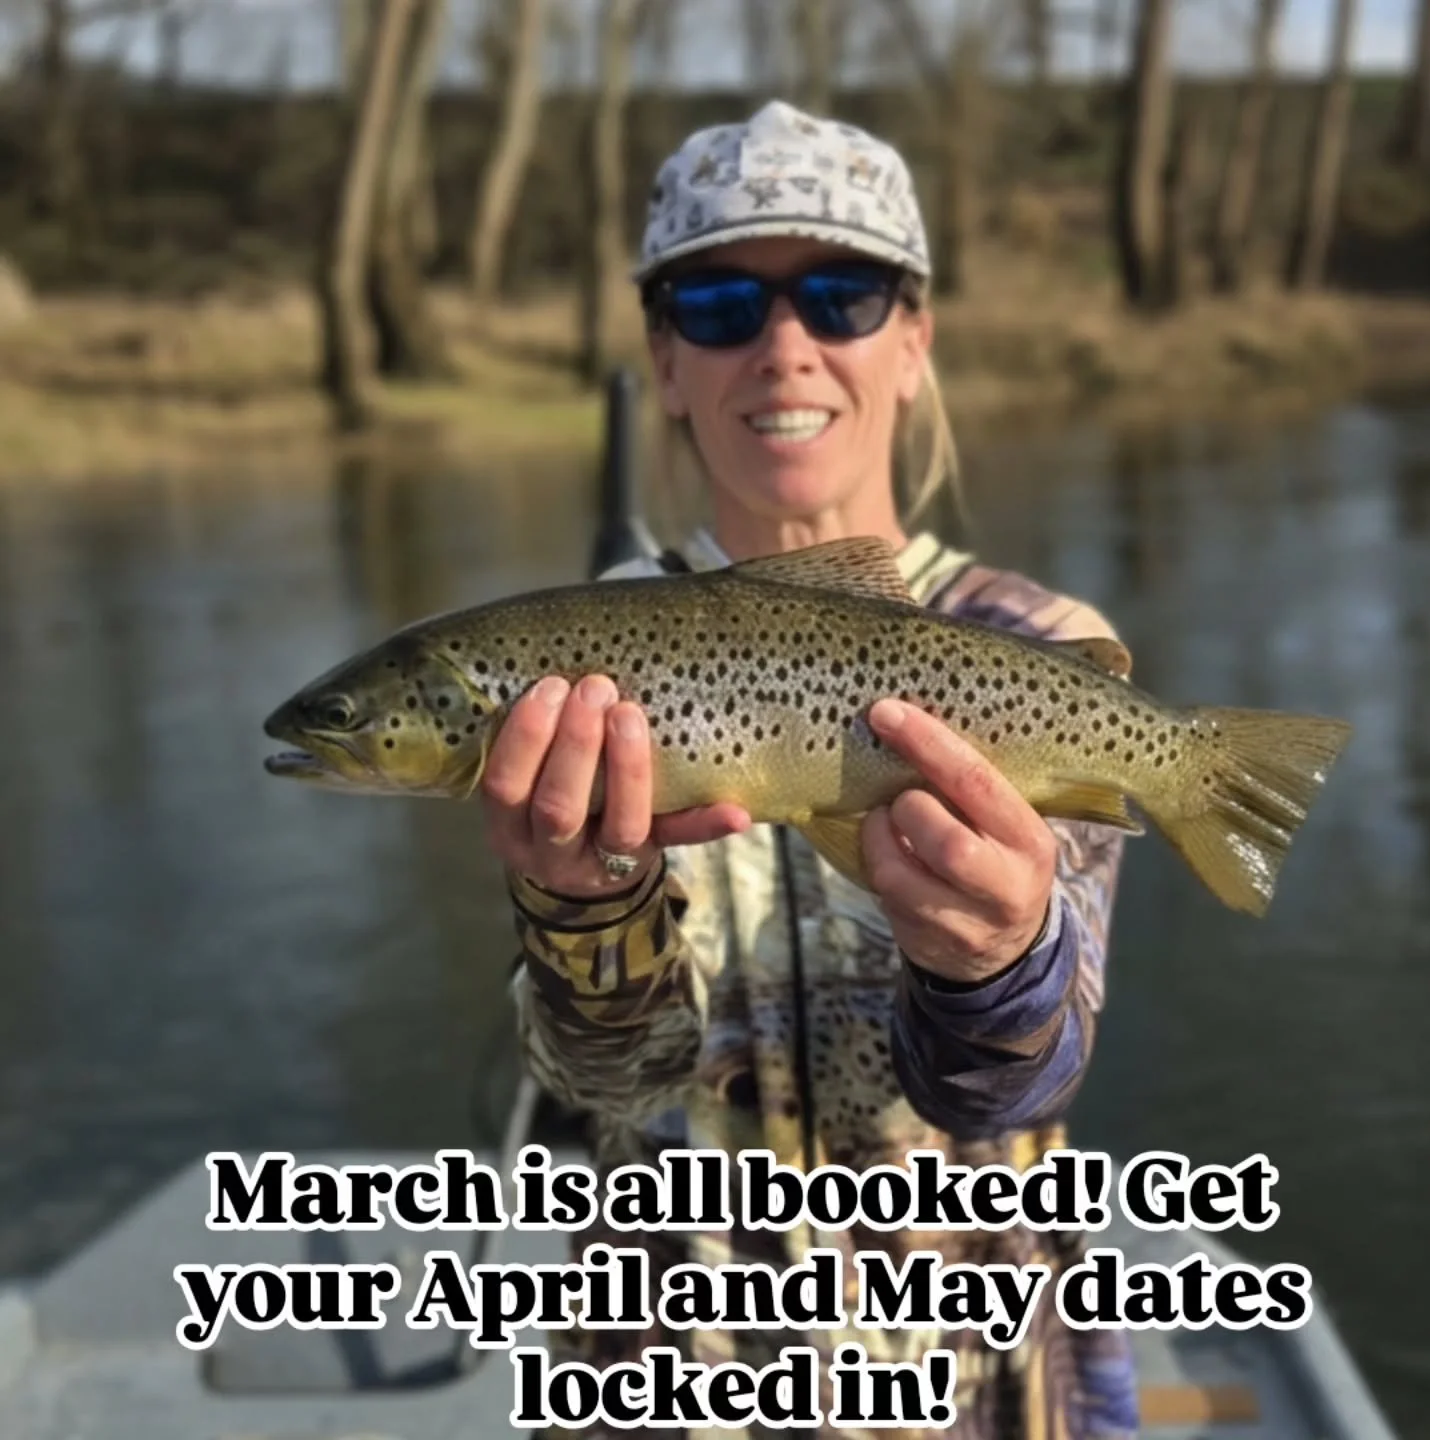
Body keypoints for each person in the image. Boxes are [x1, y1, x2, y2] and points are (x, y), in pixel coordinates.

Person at [482, 100, 1138, 1439]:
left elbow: (1014, 1081)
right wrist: (582, 913)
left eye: (841, 295)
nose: (784, 345)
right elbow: (609, 1084)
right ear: (664, 357)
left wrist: (996, 955)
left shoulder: (1042, 651)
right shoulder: (569, 676)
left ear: (914, 342)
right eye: (721, 302)